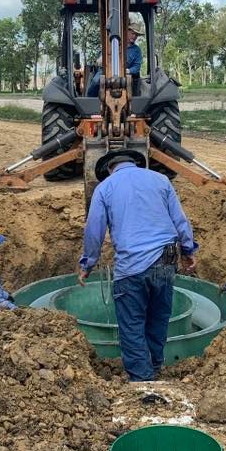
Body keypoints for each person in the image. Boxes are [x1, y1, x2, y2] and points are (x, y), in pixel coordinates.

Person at [78, 151, 198, 381]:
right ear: (135, 163)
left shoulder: (105, 188)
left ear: (109, 169)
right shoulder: (160, 180)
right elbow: (180, 220)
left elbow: (94, 230)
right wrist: (189, 251)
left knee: (132, 325)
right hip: (166, 259)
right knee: (158, 317)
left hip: (132, 266)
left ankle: (142, 381)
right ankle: (154, 367)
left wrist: (88, 263)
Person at [86, 21, 144, 98]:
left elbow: (137, 67)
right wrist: (101, 59)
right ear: (127, 31)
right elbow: (100, 58)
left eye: (136, 35)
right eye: (133, 34)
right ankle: (90, 101)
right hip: (106, 70)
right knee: (96, 81)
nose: (135, 36)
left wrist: (128, 71)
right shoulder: (113, 43)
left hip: (124, 73)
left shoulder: (136, 50)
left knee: (129, 86)